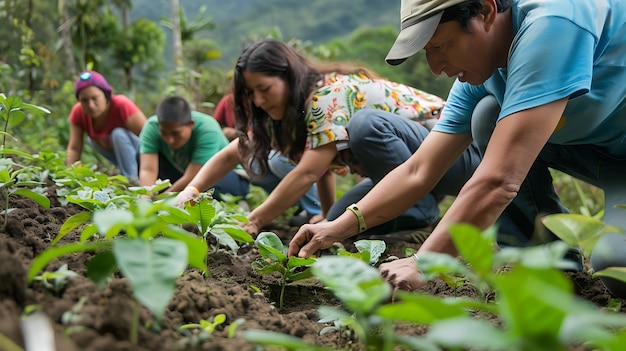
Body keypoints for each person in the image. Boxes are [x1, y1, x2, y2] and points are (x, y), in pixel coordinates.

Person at [288, 0, 626, 298]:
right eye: (428, 53)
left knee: (617, 266)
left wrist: (424, 262)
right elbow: (418, 170)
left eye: (441, 45)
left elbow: (499, 180)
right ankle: (550, 265)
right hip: (598, 153)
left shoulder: (555, 22)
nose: (436, 67)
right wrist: (337, 227)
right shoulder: (484, 74)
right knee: (487, 116)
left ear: (486, 13)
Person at [177, 38, 482, 237]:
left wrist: (254, 219)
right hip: (409, 170)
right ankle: (413, 208)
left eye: (264, 89)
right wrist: (191, 190)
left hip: (459, 156)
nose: (258, 101)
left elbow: (308, 172)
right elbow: (235, 152)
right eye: (250, 93)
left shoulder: (326, 95)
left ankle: (418, 208)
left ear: (287, 75)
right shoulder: (289, 113)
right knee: (337, 224)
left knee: (367, 125)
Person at [138, 96, 249, 198]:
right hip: (184, 173)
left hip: (229, 177)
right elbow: (148, 170)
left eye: (175, 133)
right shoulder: (152, 127)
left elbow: (193, 178)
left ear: (191, 124)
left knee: (205, 186)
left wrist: (163, 202)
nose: (170, 139)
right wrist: (145, 199)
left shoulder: (207, 130)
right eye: (164, 133)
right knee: (140, 156)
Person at [66, 70, 146, 183]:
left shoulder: (121, 105)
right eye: (84, 100)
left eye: (95, 98)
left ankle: (131, 180)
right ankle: (127, 174)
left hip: (141, 154)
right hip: (116, 157)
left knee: (118, 134)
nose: (91, 105)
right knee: (91, 139)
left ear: (106, 95)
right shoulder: (78, 112)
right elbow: (74, 148)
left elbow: (149, 137)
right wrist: (71, 176)